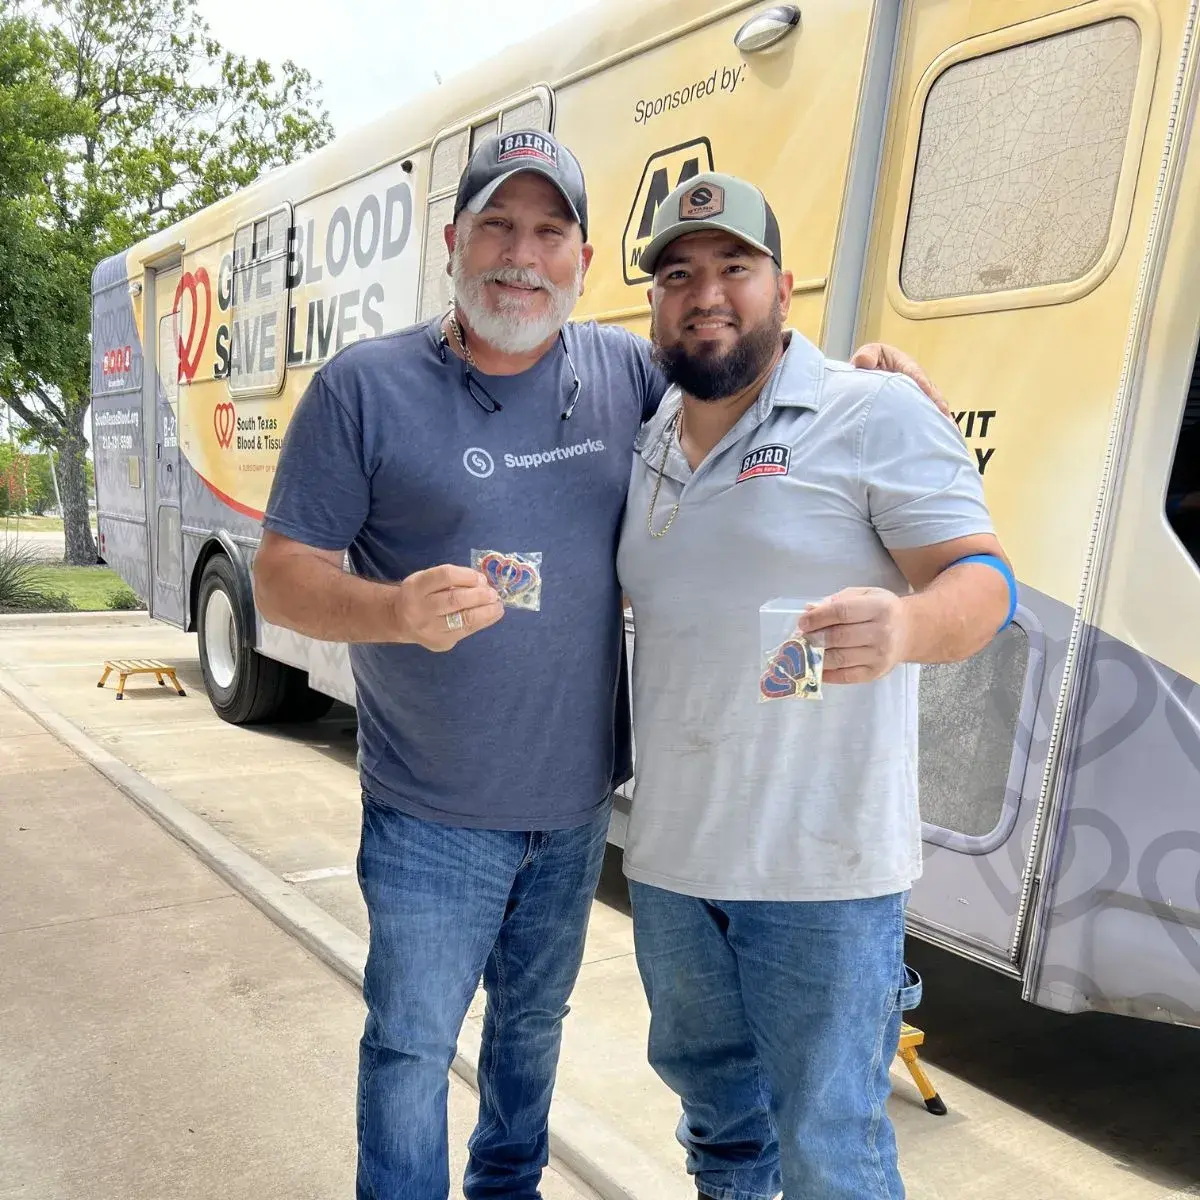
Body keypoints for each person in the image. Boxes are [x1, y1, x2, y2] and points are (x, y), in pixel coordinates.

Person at [252, 131, 945, 1200]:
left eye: (549, 232)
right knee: (409, 1048)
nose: (520, 256)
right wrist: (390, 609)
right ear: (453, 240)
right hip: (430, 812)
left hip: (577, 808)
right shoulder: (365, 387)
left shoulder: (628, 374)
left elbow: (748, 382)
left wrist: (874, 379)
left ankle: (505, 1188)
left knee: (531, 1036)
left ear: (579, 260)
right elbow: (284, 577)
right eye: (497, 225)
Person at [616, 173, 1014, 1200]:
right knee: (720, 1133)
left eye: (734, 268)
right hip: (673, 866)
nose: (707, 293)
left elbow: (984, 582)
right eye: (679, 274)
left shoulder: (870, 410)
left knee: (831, 1149)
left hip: (821, 878)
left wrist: (911, 625)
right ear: (653, 303)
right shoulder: (647, 435)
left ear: (784, 288)